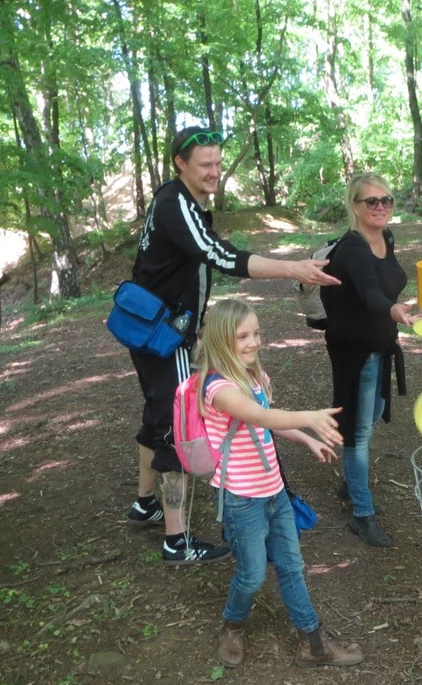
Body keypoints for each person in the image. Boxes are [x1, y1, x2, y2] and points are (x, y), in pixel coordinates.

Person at [126, 125, 339, 565]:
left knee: (156, 413)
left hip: (152, 330)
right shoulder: (175, 203)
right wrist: (292, 268)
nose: (214, 172)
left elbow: (197, 260)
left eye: (219, 164)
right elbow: (220, 256)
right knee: (179, 426)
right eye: (205, 165)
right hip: (166, 336)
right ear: (180, 164)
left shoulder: (185, 203)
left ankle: (145, 501)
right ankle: (176, 540)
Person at [194, 298, 363, 669]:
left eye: (256, 333)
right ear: (222, 339)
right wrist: (310, 417)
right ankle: (232, 625)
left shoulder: (253, 375)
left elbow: (267, 423)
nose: (254, 342)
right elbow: (256, 413)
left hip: (274, 492)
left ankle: (314, 644)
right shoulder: (216, 388)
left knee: (291, 565)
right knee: (252, 574)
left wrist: (307, 437)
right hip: (242, 499)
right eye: (243, 336)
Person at [321, 173, 416, 548]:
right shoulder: (352, 248)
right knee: (357, 431)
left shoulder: (386, 237)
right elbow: (372, 294)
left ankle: (350, 478)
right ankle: (362, 514)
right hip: (354, 351)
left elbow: (388, 281)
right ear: (354, 206)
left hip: (380, 345)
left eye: (386, 200)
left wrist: (394, 311)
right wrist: (393, 310)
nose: (380, 207)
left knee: (372, 413)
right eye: (371, 201)